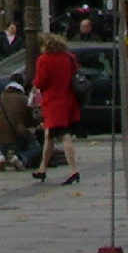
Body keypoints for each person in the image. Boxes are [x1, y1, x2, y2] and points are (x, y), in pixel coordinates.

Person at [31, 31, 82, 185]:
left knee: (63, 134)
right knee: (49, 135)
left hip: (52, 102)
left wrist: (34, 83)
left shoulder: (44, 60)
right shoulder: (68, 57)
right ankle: (42, 169)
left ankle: (73, 170)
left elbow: (40, 82)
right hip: (66, 99)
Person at [0, 74, 41, 172]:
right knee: (36, 147)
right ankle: (21, 158)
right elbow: (29, 120)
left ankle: (1, 157)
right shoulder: (24, 99)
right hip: (17, 135)